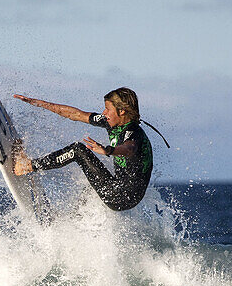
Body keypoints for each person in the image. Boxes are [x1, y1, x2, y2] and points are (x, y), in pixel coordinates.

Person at [11, 87, 160, 212]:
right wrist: (38, 103)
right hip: (120, 191)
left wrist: (109, 150)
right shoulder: (111, 122)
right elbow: (76, 114)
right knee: (89, 191)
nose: (104, 113)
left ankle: (26, 166)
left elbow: (129, 148)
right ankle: (70, 222)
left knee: (78, 150)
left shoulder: (134, 132)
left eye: (108, 109)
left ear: (121, 111)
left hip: (121, 196)